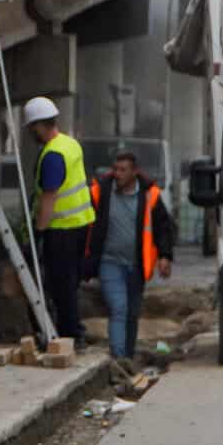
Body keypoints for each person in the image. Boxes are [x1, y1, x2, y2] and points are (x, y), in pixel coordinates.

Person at [85, 151, 176, 360]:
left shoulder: (149, 195)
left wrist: (165, 256)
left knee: (132, 314)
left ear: (135, 172)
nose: (117, 174)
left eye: (123, 170)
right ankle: (118, 358)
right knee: (119, 308)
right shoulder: (102, 192)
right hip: (109, 262)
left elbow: (164, 227)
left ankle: (128, 356)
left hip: (137, 265)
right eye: (115, 169)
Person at [21, 97, 95, 347]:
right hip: (80, 225)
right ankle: (72, 333)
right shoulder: (70, 144)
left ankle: (69, 336)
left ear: (38, 125)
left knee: (59, 285)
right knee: (68, 284)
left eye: (31, 128)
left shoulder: (52, 155)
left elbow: (49, 198)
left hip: (60, 229)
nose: (31, 133)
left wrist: (38, 233)